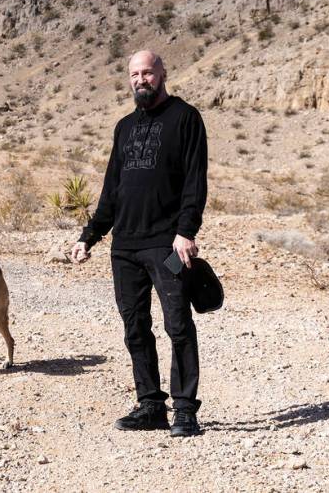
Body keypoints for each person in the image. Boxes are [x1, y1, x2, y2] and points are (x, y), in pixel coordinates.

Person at [71, 50, 208, 437]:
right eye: (134, 74)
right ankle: (151, 405)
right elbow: (111, 188)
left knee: (178, 324)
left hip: (167, 245)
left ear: (163, 73)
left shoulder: (185, 118)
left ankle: (184, 409)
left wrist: (187, 231)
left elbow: (196, 181)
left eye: (148, 72)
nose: (140, 80)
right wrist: (90, 235)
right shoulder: (124, 127)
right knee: (135, 327)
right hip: (125, 247)